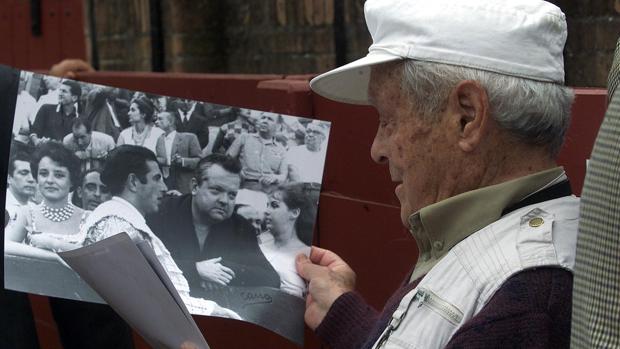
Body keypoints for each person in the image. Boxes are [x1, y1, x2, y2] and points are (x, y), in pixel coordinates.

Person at [296, 1, 579, 348]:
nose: (376, 148)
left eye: (388, 119)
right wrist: (341, 311)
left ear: (467, 116)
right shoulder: (506, 254)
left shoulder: (525, 300)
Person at [80, 145, 240, 319]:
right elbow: (146, 297)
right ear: (133, 182)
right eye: (156, 178)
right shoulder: (118, 226)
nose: (164, 187)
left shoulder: (117, 220)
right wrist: (212, 310)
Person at [147, 153, 280, 296]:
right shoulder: (161, 213)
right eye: (216, 190)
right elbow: (142, 265)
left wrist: (221, 271)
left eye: (231, 195)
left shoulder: (240, 227)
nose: (224, 201)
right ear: (194, 186)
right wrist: (196, 270)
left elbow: (271, 278)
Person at [5, 141, 87, 254]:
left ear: (72, 180)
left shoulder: (87, 218)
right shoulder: (26, 214)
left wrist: (53, 244)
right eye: (43, 173)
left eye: (59, 175)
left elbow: (95, 258)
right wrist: (54, 256)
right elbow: (6, 247)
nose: (49, 180)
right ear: (37, 178)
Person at [261, 183, 317, 298]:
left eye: (274, 205)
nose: (266, 211)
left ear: (294, 213)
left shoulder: (307, 255)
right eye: (267, 205)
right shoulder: (258, 244)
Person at [226, 112, 288, 191]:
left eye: (270, 119)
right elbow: (227, 160)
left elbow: (283, 175)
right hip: (245, 186)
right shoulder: (244, 138)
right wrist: (238, 171)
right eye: (263, 118)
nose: (264, 121)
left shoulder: (281, 149)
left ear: (278, 126)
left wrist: (275, 177)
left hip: (270, 189)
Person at [155, 111, 202, 194]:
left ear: (170, 122)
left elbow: (199, 161)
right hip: (165, 183)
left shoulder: (189, 137)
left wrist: (183, 161)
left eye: (160, 119)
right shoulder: (158, 139)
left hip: (184, 184)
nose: (156, 122)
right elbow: (161, 159)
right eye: (156, 119)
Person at [30, 80, 82, 144]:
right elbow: (34, 131)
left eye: (64, 91)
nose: (60, 94)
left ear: (74, 98)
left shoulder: (79, 119)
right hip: (42, 150)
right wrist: (36, 141)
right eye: (60, 90)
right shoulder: (46, 109)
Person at [5, 150, 36, 224]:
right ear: (9, 178)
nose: (31, 179)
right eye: (24, 173)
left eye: (34, 174)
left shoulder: (35, 208)